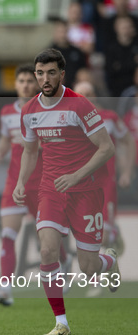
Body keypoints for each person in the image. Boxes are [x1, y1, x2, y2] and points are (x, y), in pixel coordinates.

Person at [14, 48, 119, 335]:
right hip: (52, 188)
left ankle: (107, 260)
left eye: (50, 73)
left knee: (88, 268)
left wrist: (76, 175)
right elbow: (30, 150)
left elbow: (107, 148)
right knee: (47, 250)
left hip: (85, 189)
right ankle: (61, 322)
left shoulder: (79, 105)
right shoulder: (30, 111)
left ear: (62, 74)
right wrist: (22, 182)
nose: (44, 79)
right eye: (40, 73)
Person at [73, 80, 136, 296]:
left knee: (102, 234)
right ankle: (101, 272)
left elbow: (128, 141)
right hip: (80, 186)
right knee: (86, 235)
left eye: (88, 93)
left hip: (105, 184)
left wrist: (126, 172)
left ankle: (99, 277)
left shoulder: (109, 118)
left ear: (95, 95)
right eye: (80, 94)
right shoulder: (70, 121)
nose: (85, 98)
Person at [0, 64, 42, 306]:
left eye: (30, 80)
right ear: (16, 84)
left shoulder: (46, 109)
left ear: (37, 84)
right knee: (8, 235)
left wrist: (34, 142)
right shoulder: (7, 111)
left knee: (47, 237)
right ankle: (5, 289)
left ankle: (63, 265)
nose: (26, 84)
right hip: (15, 182)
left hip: (42, 182)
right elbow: (5, 139)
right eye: (21, 80)